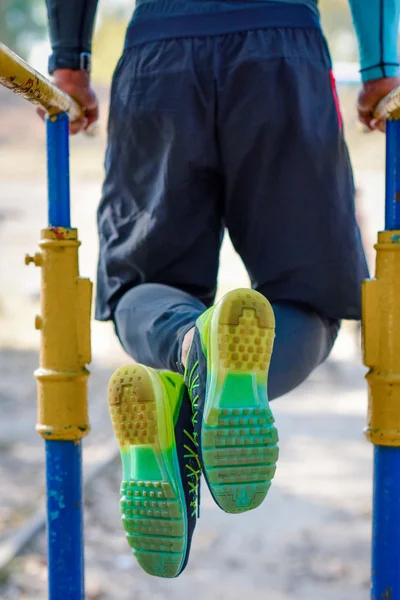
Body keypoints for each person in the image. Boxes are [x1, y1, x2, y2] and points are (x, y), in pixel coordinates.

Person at [44, 0, 399, 579]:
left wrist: (69, 61)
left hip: (160, 53)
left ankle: (187, 349)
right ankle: (201, 381)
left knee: (142, 282)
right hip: (280, 51)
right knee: (308, 300)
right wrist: (381, 68)